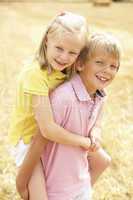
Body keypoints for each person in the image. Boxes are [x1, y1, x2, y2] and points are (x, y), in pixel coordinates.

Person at [16, 32, 121, 200]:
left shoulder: (100, 95)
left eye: (113, 66)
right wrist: (23, 180)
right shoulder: (64, 97)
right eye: (100, 62)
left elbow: (98, 121)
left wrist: (95, 132)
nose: (107, 70)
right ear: (79, 65)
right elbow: (41, 137)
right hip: (55, 186)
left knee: (102, 160)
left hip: (78, 181)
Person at [9, 11, 92, 200]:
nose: (64, 57)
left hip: (51, 139)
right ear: (47, 40)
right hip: (30, 142)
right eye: (59, 48)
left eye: (72, 52)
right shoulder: (35, 74)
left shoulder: (65, 71)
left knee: (98, 163)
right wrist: (83, 141)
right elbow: (46, 129)